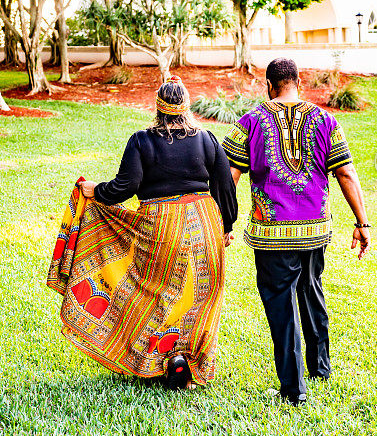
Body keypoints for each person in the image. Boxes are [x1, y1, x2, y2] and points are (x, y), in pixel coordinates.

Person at [47, 76, 237, 390]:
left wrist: (97, 190)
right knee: (200, 298)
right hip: (205, 223)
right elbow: (225, 190)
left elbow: (125, 187)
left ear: (158, 108)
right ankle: (187, 366)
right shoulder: (208, 139)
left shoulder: (141, 141)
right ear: (187, 107)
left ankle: (150, 361)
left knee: (150, 290)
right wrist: (226, 227)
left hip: (161, 223)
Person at [222, 58, 370, 405]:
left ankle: (293, 389)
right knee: (311, 290)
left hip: (272, 234)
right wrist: (362, 224)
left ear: (268, 85)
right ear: (298, 82)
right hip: (315, 231)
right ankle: (320, 367)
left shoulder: (249, 123)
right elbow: (346, 174)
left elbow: (229, 177)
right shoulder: (326, 121)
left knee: (281, 305)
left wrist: (225, 223)